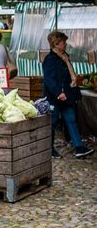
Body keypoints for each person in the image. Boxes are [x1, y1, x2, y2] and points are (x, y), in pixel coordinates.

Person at [42, 31, 94, 159]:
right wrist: (59, 93)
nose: (66, 44)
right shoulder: (50, 59)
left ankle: (79, 148)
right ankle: (49, 149)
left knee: (72, 121)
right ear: (56, 44)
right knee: (52, 123)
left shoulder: (64, 57)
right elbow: (49, 79)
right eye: (63, 41)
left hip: (67, 96)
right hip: (55, 98)